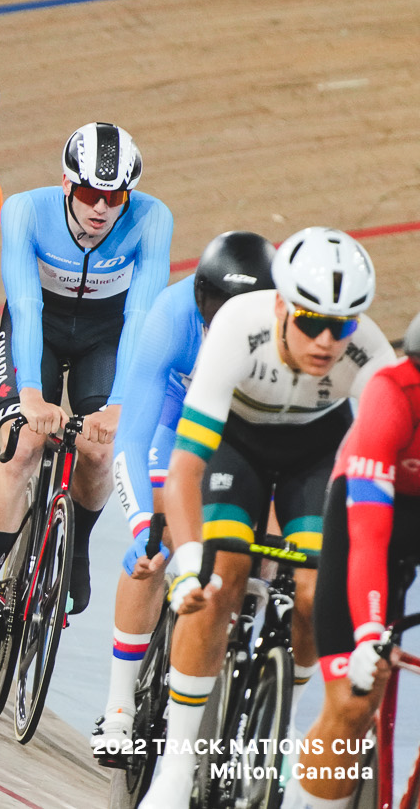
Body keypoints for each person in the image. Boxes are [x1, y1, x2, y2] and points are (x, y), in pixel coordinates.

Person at [137, 228, 396, 809]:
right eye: (311, 321)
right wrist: (186, 566)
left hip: (316, 449)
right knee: (219, 580)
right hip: (237, 443)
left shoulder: (371, 355)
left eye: (344, 323)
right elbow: (184, 471)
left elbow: (386, 477)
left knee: (314, 595)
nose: (328, 340)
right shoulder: (237, 329)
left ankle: (284, 717)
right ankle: (176, 772)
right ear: (281, 304)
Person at [0, 122, 174, 645]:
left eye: (114, 196)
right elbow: (25, 305)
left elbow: (143, 315)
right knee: (23, 446)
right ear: (65, 184)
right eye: (88, 194)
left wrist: (121, 404)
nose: (100, 209)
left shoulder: (152, 218)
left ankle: (76, 551)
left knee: (99, 450)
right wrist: (30, 392)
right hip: (42, 329)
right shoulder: (26, 211)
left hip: (108, 334)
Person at [89, 230, 275, 759]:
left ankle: (205, 682)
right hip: (175, 421)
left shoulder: (286, 336)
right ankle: (120, 709)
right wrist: (138, 522)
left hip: (240, 431)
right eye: (218, 312)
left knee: (255, 554)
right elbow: (134, 434)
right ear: (200, 299)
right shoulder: (171, 318)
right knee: (159, 539)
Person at [284, 307, 420, 809]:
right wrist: (368, 637)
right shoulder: (393, 394)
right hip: (369, 515)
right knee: (353, 699)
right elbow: (367, 537)